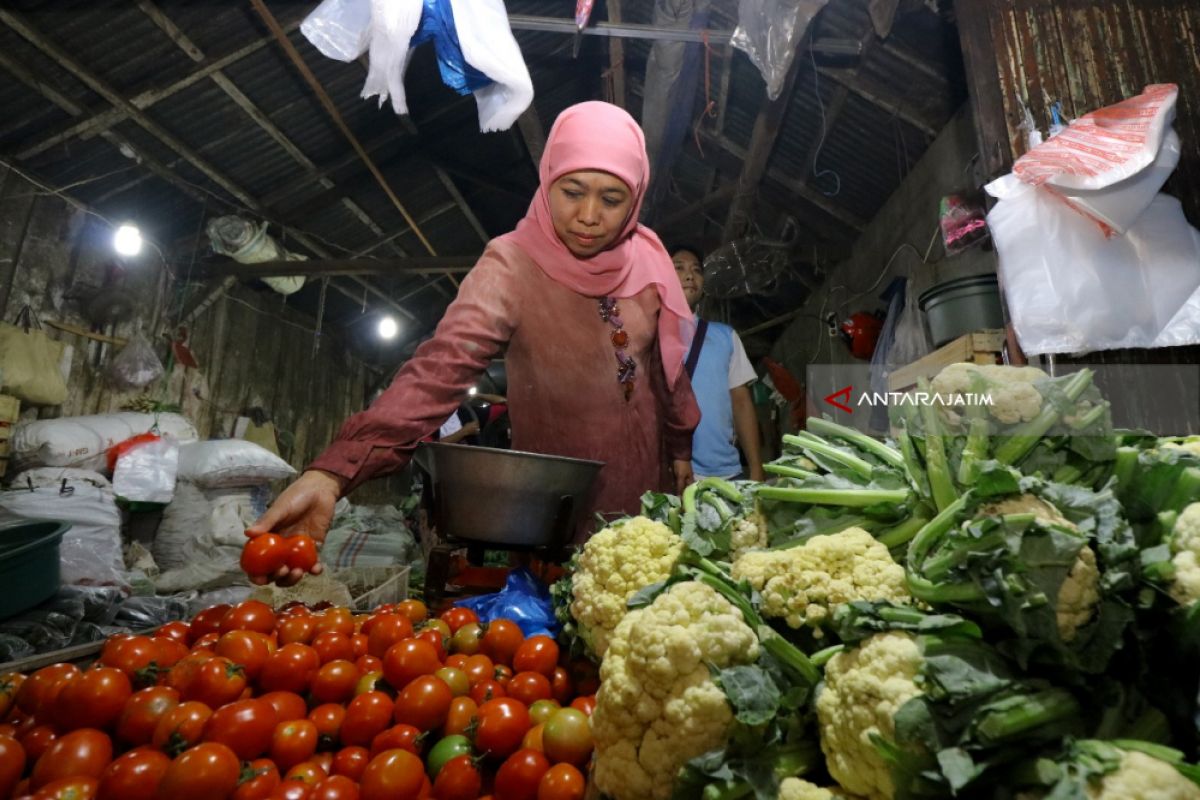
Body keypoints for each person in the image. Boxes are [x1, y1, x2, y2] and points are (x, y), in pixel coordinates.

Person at [249, 101, 701, 584]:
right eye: (572, 191)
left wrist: (679, 450)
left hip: (646, 491)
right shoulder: (511, 264)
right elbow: (441, 368)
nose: (588, 216)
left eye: (612, 200)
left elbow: (667, 375)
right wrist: (335, 472)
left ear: (635, 201)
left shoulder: (650, 264)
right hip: (556, 504)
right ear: (548, 180)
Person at [671, 245, 765, 482]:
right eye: (678, 268)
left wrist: (756, 468)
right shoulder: (648, 332)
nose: (690, 275)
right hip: (669, 472)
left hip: (724, 473)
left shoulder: (725, 336)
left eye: (696, 270)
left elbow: (741, 402)